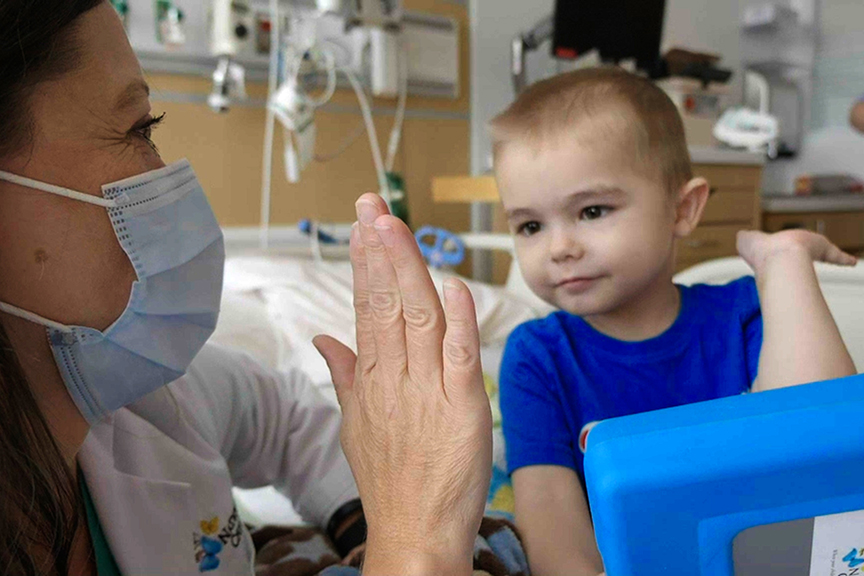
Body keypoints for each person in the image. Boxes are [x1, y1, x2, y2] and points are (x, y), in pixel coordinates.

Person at [0, 1, 491, 575]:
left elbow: (283, 415)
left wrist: (363, 523)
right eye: (140, 128)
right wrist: (416, 542)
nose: (166, 173)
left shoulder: (145, 401)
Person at [490, 68, 858, 576]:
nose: (559, 248)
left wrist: (785, 267)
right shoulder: (536, 356)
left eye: (592, 211)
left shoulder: (746, 312)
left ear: (682, 209)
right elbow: (551, 523)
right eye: (530, 225)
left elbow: (822, 439)